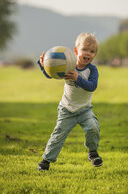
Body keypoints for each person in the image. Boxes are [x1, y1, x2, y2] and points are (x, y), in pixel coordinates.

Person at [37, 33, 102, 171]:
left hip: (85, 110)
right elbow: (52, 75)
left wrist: (77, 78)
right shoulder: (68, 65)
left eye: (92, 51)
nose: (88, 53)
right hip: (67, 109)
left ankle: (92, 152)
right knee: (58, 135)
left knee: (93, 127)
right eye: (85, 49)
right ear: (76, 50)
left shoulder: (92, 69)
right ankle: (46, 160)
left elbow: (92, 86)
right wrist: (44, 66)